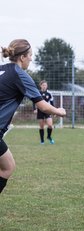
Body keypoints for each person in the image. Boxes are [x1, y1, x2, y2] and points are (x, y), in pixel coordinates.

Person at [0, 39, 66, 194]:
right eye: (30, 55)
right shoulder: (20, 75)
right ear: (22, 57)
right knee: (7, 167)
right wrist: (59, 111)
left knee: (8, 165)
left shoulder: (1, 69)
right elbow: (42, 106)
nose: (31, 58)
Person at [33, 80, 55, 144]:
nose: (44, 86)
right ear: (40, 86)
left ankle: (49, 136)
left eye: (45, 85)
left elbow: (52, 103)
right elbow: (34, 101)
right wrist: (34, 109)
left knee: (50, 125)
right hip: (40, 111)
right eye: (43, 85)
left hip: (47, 110)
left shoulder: (49, 94)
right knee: (41, 126)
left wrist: (54, 111)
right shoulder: (37, 93)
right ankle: (42, 141)